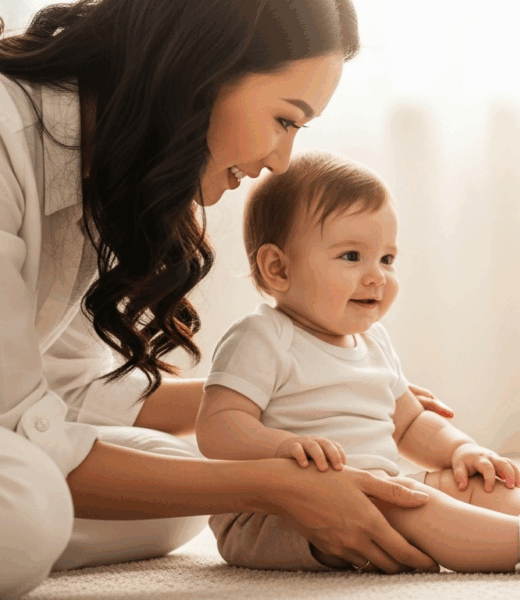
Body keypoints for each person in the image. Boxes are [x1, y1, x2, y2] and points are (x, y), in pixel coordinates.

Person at [0, 1, 455, 597]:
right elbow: (23, 425)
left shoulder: (97, 170)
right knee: (32, 511)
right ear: (200, 72)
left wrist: (299, 390)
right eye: (286, 120)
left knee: (181, 493)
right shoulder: (9, 139)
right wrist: (272, 486)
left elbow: (66, 394)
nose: (279, 161)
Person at [196, 149, 520, 574]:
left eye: (387, 259)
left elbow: (408, 423)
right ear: (278, 269)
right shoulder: (261, 337)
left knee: (469, 484)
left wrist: (461, 449)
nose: (377, 276)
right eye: (352, 256)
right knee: (405, 499)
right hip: (276, 514)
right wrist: (280, 448)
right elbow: (217, 427)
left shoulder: (372, 341)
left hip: (371, 489)